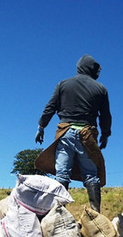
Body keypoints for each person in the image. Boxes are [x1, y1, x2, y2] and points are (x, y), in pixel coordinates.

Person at [34, 54, 111, 212]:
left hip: (65, 133)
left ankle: (58, 212)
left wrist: (41, 126)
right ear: (91, 69)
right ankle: (96, 213)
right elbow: (105, 116)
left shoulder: (63, 84)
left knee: (62, 174)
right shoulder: (101, 89)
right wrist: (105, 134)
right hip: (87, 135)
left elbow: (50, 107)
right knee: (91, 174)